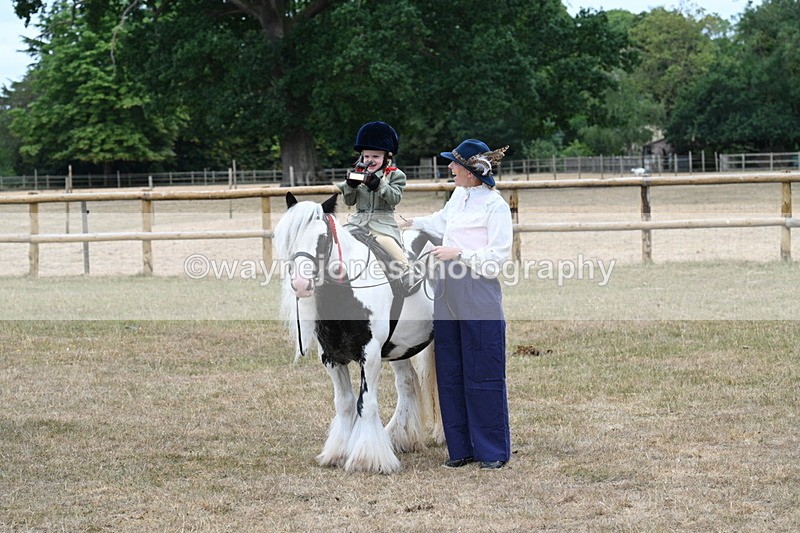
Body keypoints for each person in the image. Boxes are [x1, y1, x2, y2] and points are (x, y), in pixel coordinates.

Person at [399, 138, 513, 470]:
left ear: (472, 172)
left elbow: (498, 258)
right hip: (445, 285)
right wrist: (413, 222)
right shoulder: (458, 196)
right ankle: (460, 447)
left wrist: (458, 253)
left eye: (455, 164)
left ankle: (491, 450)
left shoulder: (495, 207)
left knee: (482, 367)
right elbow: (442, 222)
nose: (449, 168)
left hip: (477, 289)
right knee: (450, 367)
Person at [336, 121, 412, 289]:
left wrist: (379, 185)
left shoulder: (395, 175)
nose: (370, 160)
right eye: (367, 156)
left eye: (376, 156)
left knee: (386, 242)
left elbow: (395, 198)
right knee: (338, 241)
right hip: (357, 222)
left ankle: (407, 271)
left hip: (382, 224)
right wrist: (350, 186)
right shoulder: (358, 173)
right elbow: (349, 202)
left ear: (387, 157)